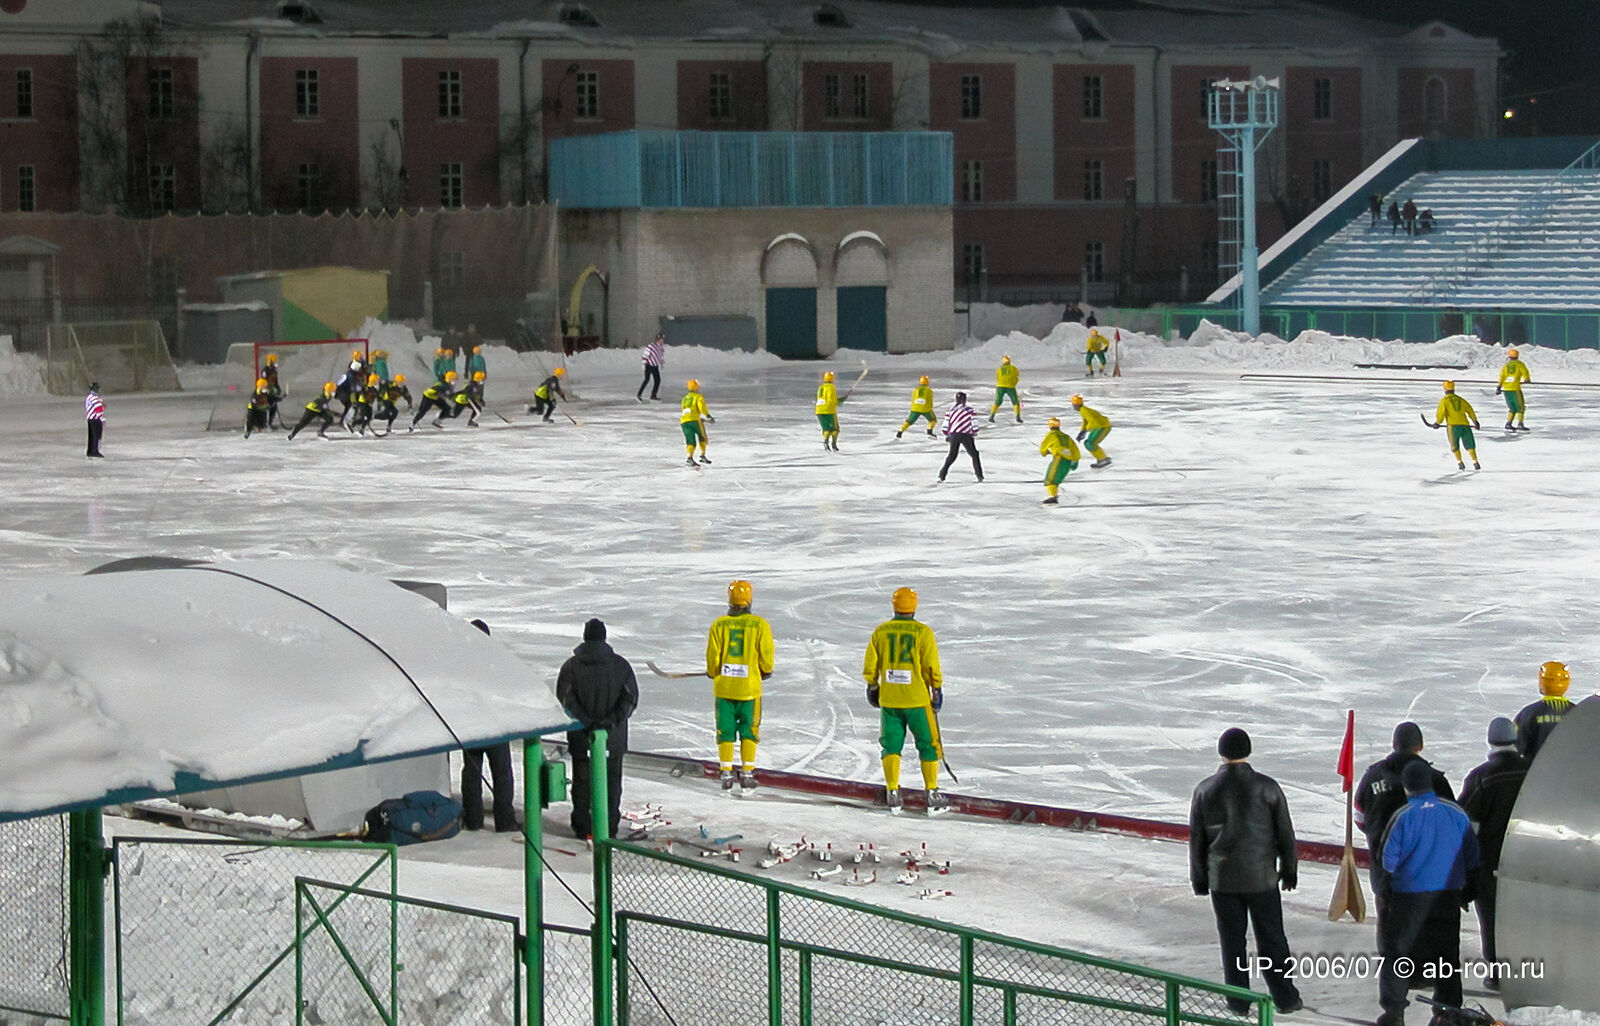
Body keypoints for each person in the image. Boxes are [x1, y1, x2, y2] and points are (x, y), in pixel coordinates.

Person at [1189, 728, 1304, 1016]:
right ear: (1248, 751)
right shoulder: (1268, 787)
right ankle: (1285, 997)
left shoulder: (1204, 790)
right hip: (1261, 878)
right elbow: (1285, 832)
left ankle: (1238, 1000)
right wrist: (1289, 868)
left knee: (1232, 942)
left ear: (1221, 753)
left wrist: (1199, 877)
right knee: (1272, 939)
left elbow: (1197, 839)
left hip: (1223, 880)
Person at [1375, 760, 1479, 1026]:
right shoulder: (1456, 813)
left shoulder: (1403, 816)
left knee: (1397, 953)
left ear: (1406, 786)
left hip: (1409, 896)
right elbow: (1472, 855)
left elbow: (1387, 861)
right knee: (1446, 954)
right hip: (1447, 893)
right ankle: (1448, 1012)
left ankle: (1394, 1012)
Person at [863, 587, 948, 816]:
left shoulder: (881, 631)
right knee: (928, 744)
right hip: (917, 700)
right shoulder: (923, 632)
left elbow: (871, 663)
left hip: (890, 700)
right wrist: (936, 688)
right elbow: (930, 664)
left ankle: (892, 791)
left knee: (890, 745)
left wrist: (872, 685)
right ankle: (931, 793)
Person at [1459, 716, 1530, 989]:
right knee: (1525, 914)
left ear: (1490, 741)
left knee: (1491, 917)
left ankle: (1498, 973)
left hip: (1491, 860)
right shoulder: (1531, 771)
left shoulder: (1481, 777)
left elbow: (1467, 824)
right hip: (1528, 856)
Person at [556, 618, 640, 840]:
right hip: (613, 738)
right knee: (611, 783)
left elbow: (565, 699)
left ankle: (583, 827)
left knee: (582, 783)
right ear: (604, 637)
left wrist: (586, 721)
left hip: (581, 736)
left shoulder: (571, 666)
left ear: (585, 637)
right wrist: (610, 721)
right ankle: (608, 828)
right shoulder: (621, 666)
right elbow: (630, 699)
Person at [1355, 722, 1454, 908]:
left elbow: (1360, 818)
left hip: (1385, 873)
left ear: (1394, 744)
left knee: (1387, 921)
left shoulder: (1372, 777)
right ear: (1420, 745)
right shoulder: (1435, 780)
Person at [705, 579, 774, 793]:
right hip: (749, 690)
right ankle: (747, 773)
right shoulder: (760, 625)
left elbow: (713, 657)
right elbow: (766, 656)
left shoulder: (719, 625)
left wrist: (712, 671)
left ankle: (726, 771)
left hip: (725, 689)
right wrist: (766, 669)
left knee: (725, 730)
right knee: (749, 730)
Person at [460, 618, 516, 832]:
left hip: (471, 726)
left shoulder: (461, 663)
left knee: (472, 773)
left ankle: (473, 819)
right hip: (496, 726)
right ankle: (504, 820)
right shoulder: (497, 662)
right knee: (502, 774)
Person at [1514, 660, 1573, 761]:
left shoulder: (1529, 713)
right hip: (1572, 768)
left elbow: (1515, 746)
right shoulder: (1578, 712)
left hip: (1537, 769)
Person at [1429, 380, 1481, 471]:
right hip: (1465, 425)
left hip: (1453, 427)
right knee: (1469, 444)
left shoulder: (1444, 401)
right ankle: (1475, 461)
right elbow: (1470, 410)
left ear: (1445, 390)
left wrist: (1438, 422)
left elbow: (1441, 413)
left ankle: (1460, 462)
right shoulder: (1461, 399)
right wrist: (1475, 421)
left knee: (1454, 445)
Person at [937, 391, 983, 483]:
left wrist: (947, 434)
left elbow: (946, 424)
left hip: (954, 435)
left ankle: (942, 475)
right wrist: (974, 431)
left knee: (952, 455)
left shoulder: (950, 410)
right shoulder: (969, 410)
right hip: (966, 435)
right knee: (974, 454)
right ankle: (979, 476)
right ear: (964, 400)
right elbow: (974, 422)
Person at [1038, 417, 1081, 505]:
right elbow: (1075, 450)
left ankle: (1053, 497)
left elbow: (1043, 447)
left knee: (1050, 479)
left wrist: (1045, 452)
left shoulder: (1051, 435)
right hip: (1068, 461)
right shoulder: (1066, 437)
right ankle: (1053, 496)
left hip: (1059, 459)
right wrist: (1075, 462)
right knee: (1056, 480)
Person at [1071, 394, 1112, 468]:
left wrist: (1085, 431)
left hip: (1102, 427)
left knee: (1090, 443)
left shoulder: (1084, 410)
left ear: (1076, 405)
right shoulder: (1083, 410)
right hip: (1101, 426)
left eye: (1073, 405)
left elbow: (1092, 421)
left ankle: (1103, 459)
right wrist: (1082, 431)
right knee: (1089, 443)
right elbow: (1086, 421)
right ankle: (1103, 458)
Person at [1496, 348, 1531, 432]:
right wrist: (1527, 379)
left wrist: (1499, 387)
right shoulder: (1520, 364)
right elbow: (1525, 372)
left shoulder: (1506, 366)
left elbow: (1502, 376)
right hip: (1515, 389)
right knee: (1520, 407)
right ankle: (1520, 424)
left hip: (1506, 389)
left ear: (1509, 356)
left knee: (1512, 408)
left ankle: (1508, 423)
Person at [680, 378, 713, 465]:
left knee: (690, 440)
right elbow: (702, 408)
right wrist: (708, 416)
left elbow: (684, 409)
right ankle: (702, 456)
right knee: (702, 437)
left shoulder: (684, 399)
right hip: (694, 421)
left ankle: (689, 457)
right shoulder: (698, 397)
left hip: (684, 421)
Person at [989, 355, 1022, 424]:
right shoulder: (1013, 368)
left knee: (998, 401)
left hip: (1000, 386)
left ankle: (991, 416)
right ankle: (1017, 416)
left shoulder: (999, 369)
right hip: (1010, 387)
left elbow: (997, 377)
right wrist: (1014, 384)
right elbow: (1016, 377)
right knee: (1015, 402)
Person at [815, 370, 841, 452]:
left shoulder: (821, 388)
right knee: (835, 429)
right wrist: (839, 401)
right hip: (829, 411)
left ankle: (825, 442)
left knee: (826, 428)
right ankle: (834, 444)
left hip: (819, 411)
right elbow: (832, 400)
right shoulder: (831, 387)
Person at [638, 333, 665, 401]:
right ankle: (639, 394)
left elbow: (660, 356)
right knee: (647, 379)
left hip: (655, 366)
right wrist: (643, 364)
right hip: (649, 365)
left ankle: (653, 395)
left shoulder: (661, 347)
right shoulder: (651, 346)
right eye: (661, 339)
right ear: (658, 339)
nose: (662, 341)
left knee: (657, 380)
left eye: (662, 339)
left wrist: (661, 363)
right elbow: (645, 355)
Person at [262, 354, 285, 429]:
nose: (275, 363)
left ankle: (270, 423)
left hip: (273, 391)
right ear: (270, 361)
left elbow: (275, 380)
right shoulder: (265, 370)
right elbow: (263, 381)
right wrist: (267, 390)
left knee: (274, 407)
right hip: (267, 391)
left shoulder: (274, 369)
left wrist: (277, 388)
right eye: (274, 361)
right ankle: (262, 423)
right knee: (266, 407)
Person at [85, 381, 105, 457]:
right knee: (96, 435)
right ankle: (95, 451)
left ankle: (90, 450)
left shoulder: (89, 397)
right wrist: (102, 419)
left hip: (90, 418)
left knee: (91, 435)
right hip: (96, 418)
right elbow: (98, 410)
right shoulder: (96, 398)